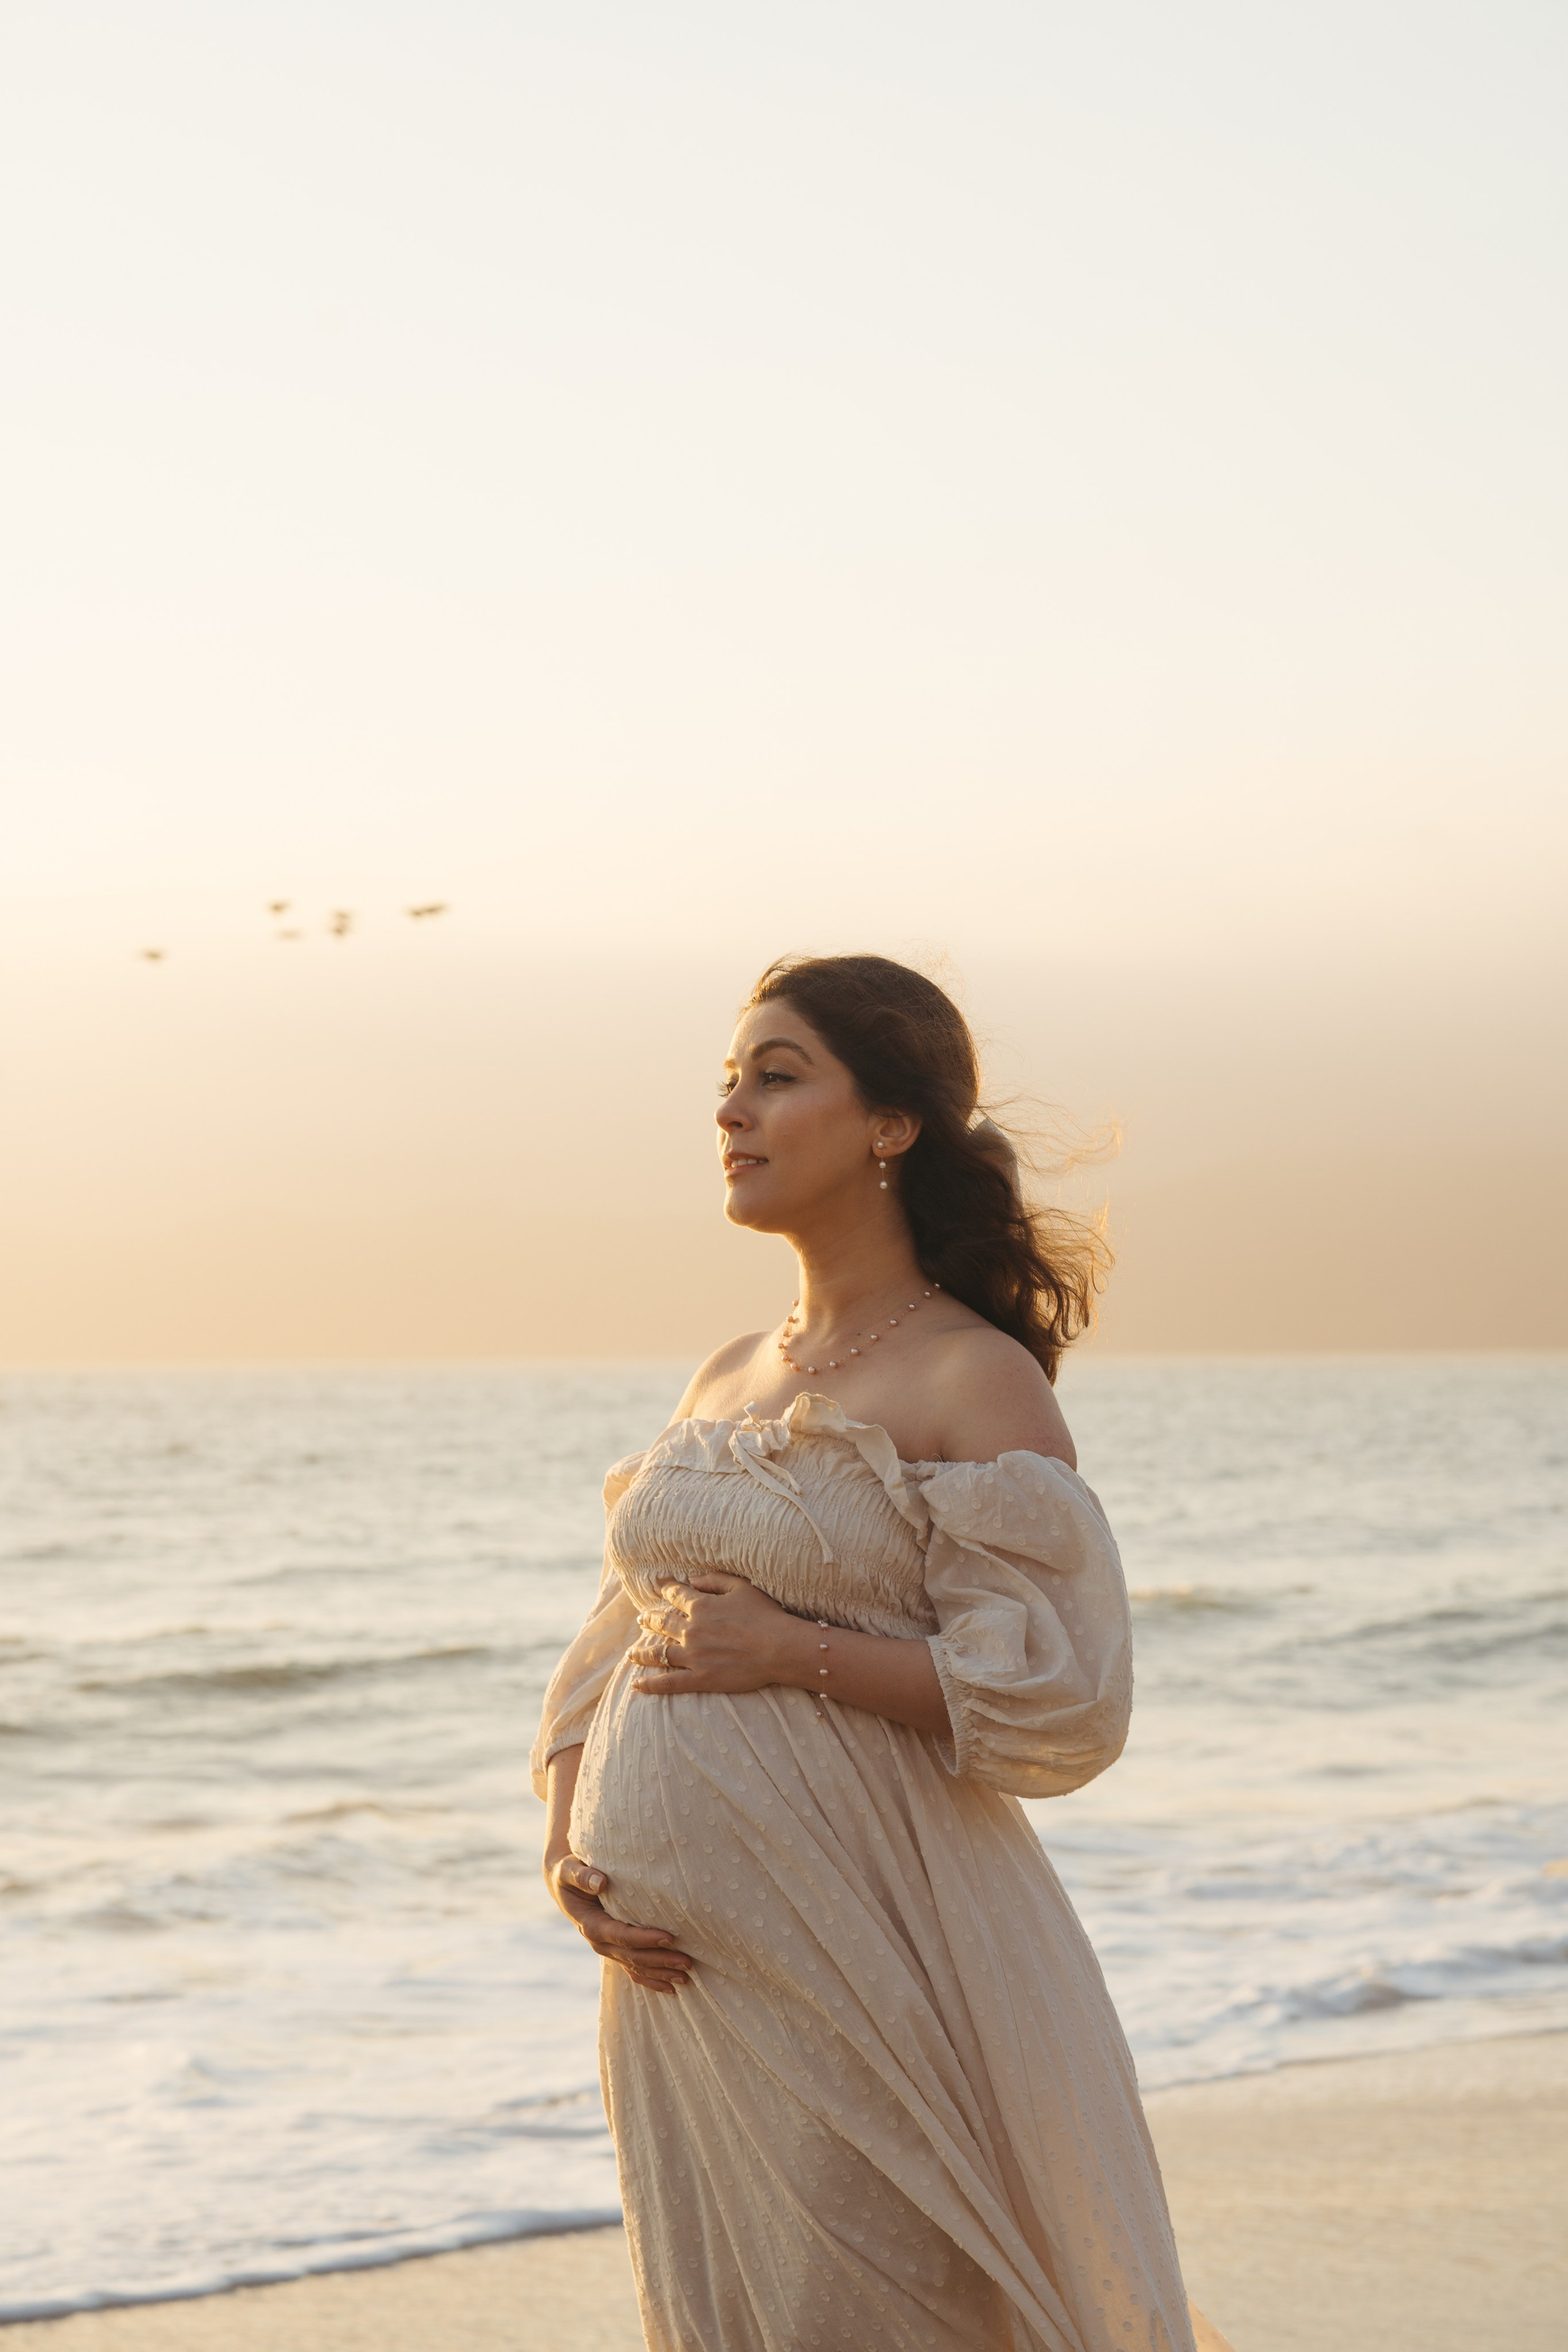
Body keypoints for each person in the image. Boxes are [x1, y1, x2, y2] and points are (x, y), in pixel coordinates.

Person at [532, 954, 1232, 2352]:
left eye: (776, 1075)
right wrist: (566, 1848)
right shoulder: (727, 1370)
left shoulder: (976, 1378)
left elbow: (1060, 1698)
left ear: (891, 1125)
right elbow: (619, 1636)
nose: (732, 1108)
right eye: (726, 1080)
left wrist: (795, 1651)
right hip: (688, 1991)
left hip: (872, 1953)